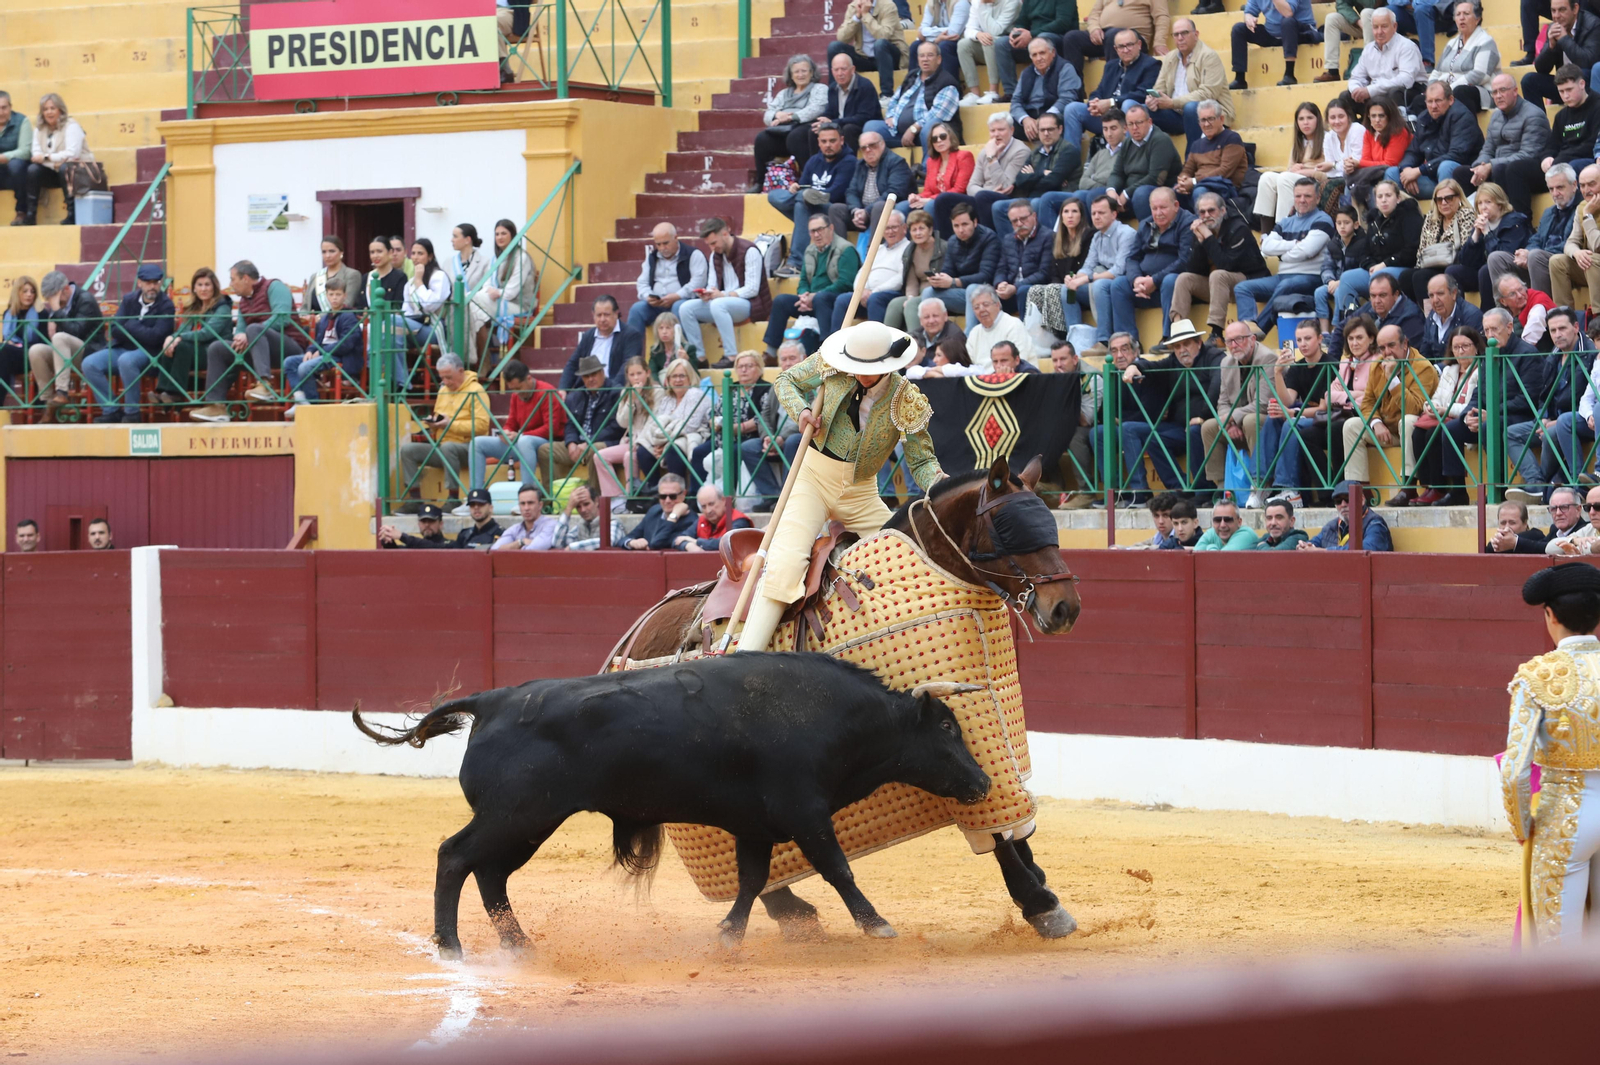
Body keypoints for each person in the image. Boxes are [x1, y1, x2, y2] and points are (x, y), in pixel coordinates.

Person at [735, 321, 944, 652]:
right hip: (812, 480)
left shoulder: (906, 399)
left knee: (908, 560)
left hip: (861, 494)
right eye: (855, 366)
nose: (858, 374)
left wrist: (940, 484)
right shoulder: (833, 365)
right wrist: (801, 411)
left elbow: (920, 461)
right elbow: (785, 379)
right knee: (787, 562)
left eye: (867, 370)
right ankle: (746, 655)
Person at [1500, 563, 1600, 944]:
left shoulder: (1538, 675)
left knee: (1559, 952)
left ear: (1550, 615)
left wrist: (1524, 828)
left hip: (1565, 818)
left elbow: (1515, 771)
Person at [1339, 323, 1439, 494]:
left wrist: (1393, 381)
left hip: (1410, 432)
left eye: (1391, 345)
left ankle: (1408, 486)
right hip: (1385, 429)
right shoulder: (1377, 364)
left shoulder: (1424, 368)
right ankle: (1359, 491)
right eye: (1382, 348)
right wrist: (1376, 422)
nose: (1387, 352)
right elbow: (1368, 401)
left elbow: (1413, 408)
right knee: (1351, 426)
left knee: (1408, 421)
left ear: (1405, 343)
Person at [1393, 324, 1480, 504]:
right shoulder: (1449, 370)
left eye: (1465, 346)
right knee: (1418, 433)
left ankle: (1440, 488)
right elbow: (1437, 396)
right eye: (1456, 347)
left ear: (1476, 347)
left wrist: (1445, 409)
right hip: (1442, 415)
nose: (1460, 351)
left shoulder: (1482, 370)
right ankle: (1428, 486)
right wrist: (1430, 406)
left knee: (1435, 433)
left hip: (1464, 418)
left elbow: (1471, 404)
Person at [1235, 179, 1334, 335]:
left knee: (1287, 285)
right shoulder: (1286, 222)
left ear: (1317, 198)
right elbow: (1266, 246)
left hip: (1312, 278)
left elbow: (1307, 250)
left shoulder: (1323, 220)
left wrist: (1281, 254)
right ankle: (1247, 326)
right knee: (1242, 288)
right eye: (1298, 196)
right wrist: (1294, 243)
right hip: (1283, 278)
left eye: (1307, 196)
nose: (1302, 200)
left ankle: (1258, 331)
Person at [396, 353, 491, 511]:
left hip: (469, 448)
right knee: (408, 450)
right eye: (442, 378)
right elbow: (439, 416)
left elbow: (482, 426)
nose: (446, 382)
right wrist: (434, 423)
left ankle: (453, 497)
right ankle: (414, 499)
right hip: (443, 446)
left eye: (449, 377)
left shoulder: (476, 390)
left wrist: (450, 424)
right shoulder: (443, 390)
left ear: (461, 371)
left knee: (449, 447)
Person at [1169, 191, 1270, 338]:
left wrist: (1208, 237)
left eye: (1211, 210)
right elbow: (1193, 269)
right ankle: (1178, 331)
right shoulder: (1201, 231)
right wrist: (1199, 242)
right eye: (1202, 212)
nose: (1207, 215)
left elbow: (1226, 264)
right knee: (1184, 278)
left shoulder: (1238, 228)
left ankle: (1216, 334)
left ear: (1223, 211)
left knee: (1218, 275)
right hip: (1219, 289)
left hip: (1249, 283)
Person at [84, 263, 174, 424]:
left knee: (126, 361)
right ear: (139, 283)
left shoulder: (166, 305)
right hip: (122, 348)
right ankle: (111, 409)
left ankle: (132, 412)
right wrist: (140, 331)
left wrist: (131, 325)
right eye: (148, 282)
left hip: (149, 353)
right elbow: (114, 328)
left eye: (156, 282)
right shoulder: (129, 300)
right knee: (89, 363)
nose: (152, 286)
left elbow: (156, 336)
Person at [676, 217, 771, 368]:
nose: (712, 248)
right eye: (709, 245)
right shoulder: (715, 255)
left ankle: (731, 355)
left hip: (752, 304)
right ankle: (699, 358)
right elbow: (712, 285)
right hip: (724, 304)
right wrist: (707, 293)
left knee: (718, 304)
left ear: (726, 234)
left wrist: (723, 295)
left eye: (714, 243)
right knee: (686, 308)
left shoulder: (750, 250)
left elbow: (752, 289)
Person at [1200, 321, 1274, 505]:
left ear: (1252, 339)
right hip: (1238, 420)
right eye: (1229, 341)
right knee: (1209, 427)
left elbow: (1263, 404)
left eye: (1239, 340)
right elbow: (1222, 401)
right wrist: (1229, 423)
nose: (1234, 345)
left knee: (1251, 420)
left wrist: (1233, 417)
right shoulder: (1226, 362)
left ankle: (1260, 485)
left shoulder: (1268, 358)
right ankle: (1224, 488)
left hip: (1268, 421)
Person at [771, 124, 858, 281]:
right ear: (818, 142)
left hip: (832, 210)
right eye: (824, 141)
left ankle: (795, 263)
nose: (828, 145)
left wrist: (806, 194)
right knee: (774, 195)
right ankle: (804, 210)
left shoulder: (849, 162)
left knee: (802, 200)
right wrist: (796, 188)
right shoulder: (813, 161)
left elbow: (835, 194)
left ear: (842, 140)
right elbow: (804, 185)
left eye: (832, 141)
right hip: (808, 204)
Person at [766, 213, 861, 354]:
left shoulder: (846, 250)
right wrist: (804, 296)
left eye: (820, 229)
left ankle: (826, 349)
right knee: (781, 301)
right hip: (813, 300)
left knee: (821, 299)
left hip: (834, 300)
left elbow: (846, 283)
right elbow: (803, 280)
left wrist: (815, 296)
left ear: (831, 228)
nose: (816, 235)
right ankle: (771, 352)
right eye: (812, 231)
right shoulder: (810, 250)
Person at [469, 359, 565, 492]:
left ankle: (527, 495)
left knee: (524, 441)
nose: (516, 392)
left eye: (518, 388)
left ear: (529, 378)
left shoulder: (547, 392)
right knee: (477, 443)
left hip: (546, 444)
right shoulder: (515, 395)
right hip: (523, 443)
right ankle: (475, 497)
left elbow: (551, 429)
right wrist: (505, 432)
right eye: (512, 389)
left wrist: (521, 435)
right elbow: (511, 423)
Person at [537, 354, 624, 497]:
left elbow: (616, 427)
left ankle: (594, 500)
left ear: (602, 373)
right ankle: (555, 499)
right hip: (579, 444)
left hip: (604, 443)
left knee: (596, 450)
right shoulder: (575, 395)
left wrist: (589, 443)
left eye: (594, 374)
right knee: (545, 450)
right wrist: (571, 443)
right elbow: (569, 424)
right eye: (586, 376)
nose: (590, 379)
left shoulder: (615, 392)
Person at [933, 112, 1031, 239]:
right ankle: (945, 246)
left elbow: (1005, 186)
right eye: (993, 130)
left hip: (1008, 198)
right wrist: (986, 191)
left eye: (1001, 129)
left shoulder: (1021, 151)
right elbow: (971, 186)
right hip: (983, 196)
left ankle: (988, 241)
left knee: (983, 196)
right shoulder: (985, 151)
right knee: (943, 199)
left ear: (1011, 130)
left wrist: (992, 158)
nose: (996, 134)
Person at [1061, 30, 1160, 156]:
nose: (1125, 50)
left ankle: (1129, 160)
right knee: (1072, 108)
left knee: (1128, 105)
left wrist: (1111, 103)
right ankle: (1070, 165)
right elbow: (1100, 90)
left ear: (1139, 44)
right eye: (1121, 47)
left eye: (1129, 45)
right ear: (1116, 49)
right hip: (1107, 117)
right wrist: (1094, 102)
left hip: (1129, 118)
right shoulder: (1111, 65)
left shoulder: (1151, 64)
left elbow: (1142, 93)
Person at [1469, 74, 1552, 219]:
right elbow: (1488, 148)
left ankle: (1518, 223)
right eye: (1494, 92)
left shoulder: (1533, 115)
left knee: (1507, 169)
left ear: (1515, 91)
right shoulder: (1495, 116)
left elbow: (1528, 154)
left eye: (1503, 90)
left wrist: (1490, 166)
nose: (1498, 96)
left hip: (1531, 170)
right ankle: (1474, 226)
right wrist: (1480, 166)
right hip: (1501, 167)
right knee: (1462, 173)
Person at [28, 270, 105, 422]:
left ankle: (62, 392)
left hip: (90, 353)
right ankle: (49, 404)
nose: (53, 304)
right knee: (36, 350)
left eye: (55, 299)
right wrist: (53, 316)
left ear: (66, 290)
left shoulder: (86, 300)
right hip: (66, 354)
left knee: (59, 337)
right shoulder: (60, 304)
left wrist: (56, 311)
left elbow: (76, 331)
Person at [281, 276, 362, 416]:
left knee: (305, 367)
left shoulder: (349, 316)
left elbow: (347, 344)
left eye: (338, 294)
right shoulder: (325, 318)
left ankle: (312, 405)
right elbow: (318, 340)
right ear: (326, 296)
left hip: (340, 357)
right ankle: (301, 399)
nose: (334, 298)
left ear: (345, 296)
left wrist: (323, 352)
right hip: (325, 355)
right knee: (289, 362)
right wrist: (311, 350)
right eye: (331, 294)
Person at [1391, 81, 1483, 201]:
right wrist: (1406, 168)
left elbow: (1456, 155)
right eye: (1430, 101)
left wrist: (1420, 170)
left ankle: (1449, 213)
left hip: (1461, 180)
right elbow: (1413, 151)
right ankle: (1402, 218)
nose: (1433, 106)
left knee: (1446, 166)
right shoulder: (1424, 118)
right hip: (1432, 178)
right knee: (1392, 173)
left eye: (1438, 101)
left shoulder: (1462, 117)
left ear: (1450, 100)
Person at [1146, 19, 1232, 144]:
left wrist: (1173, 103)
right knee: (1140, 111)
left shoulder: (1209, 56)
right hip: (1176, 115)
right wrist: (1153, 100)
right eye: (1176, 34)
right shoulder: (1171, 57)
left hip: (1208, 114)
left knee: (1191, 108)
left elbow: (1208, 94)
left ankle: (1193, 159)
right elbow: (1159, 87)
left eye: (1184, 33)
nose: (1180, 38)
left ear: (1196, 35)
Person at [872, 40, 963, 158]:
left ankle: (926, 172)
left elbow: (938, 115)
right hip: (899, 133)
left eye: (930, 55)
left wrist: (914, 129)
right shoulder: (912, 76)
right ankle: (882, 172)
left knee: (931, 129)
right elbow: (895, 99)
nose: (925, 59)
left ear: (939, 59)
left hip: (926, 134)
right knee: (871, 129)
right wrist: (890, 116)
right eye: (922, 56)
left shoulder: (947, 83)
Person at [752, 56, 829, 193]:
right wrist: (777, 115)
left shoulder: (820, 88)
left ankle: (808, 181)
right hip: (784, 131)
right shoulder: (784, 93)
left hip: (805, 128)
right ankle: (761, 181)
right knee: (762, 139)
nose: (800, 75)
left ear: (811, 73)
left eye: (804, 71)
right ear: (791, 75)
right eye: (796, 72)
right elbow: (767, 115)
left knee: (796, 136)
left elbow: (817, 109)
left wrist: (791, 117)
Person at [635, 358, 712, 492]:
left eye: (682, 376)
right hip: (668, 437)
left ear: (690, 377)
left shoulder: (695, 394)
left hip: (693, 436)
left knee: (673, 449)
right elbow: (656, 424)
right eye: (674, 376)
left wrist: (664, 444)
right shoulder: (667, 399)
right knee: (643, 450)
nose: (678, 380)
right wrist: (658, 443)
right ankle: (654, 490)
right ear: (668, 379)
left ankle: (677, 492)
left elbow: (690, 426)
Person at [1512, 163, 1583, 308]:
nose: (1555, 193)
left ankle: (1542, 314)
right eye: (1551, 189)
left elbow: (1573, 243)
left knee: (1536, 256)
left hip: (1569, 262)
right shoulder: (1548, 212)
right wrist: (1527, 251)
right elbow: (1537, 239)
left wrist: (1533, 254)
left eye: (1560, 187)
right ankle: (1507, 319)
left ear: (1574, 185)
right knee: (1497, 259)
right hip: (1540, 260)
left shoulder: (1583, 208)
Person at [156, 267, 231, 403]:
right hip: (195, 352)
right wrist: (171, 338)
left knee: (182, 346)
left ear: (214, 287)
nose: (203, 289)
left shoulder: (222, 307)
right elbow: (183, 331)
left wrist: (178, 337)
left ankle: (175, 394)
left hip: (214, 352)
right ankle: (162, 392)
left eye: (207, 285)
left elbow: (207, 333)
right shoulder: (193, 308)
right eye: (200, 285)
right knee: (169, 347)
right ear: (194, 288)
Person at [1255, 103, 1335, 226]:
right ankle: (1266, 234)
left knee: (1285, 178)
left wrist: (1306, 172)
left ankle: (1283, 227)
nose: (1305, 123)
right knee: (1267, 178)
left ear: (1318, 120)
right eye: (1301, 119)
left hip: (1316, 181)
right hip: (1296, 178)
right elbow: (1289, 170)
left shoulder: (1327, 138)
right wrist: (1292, 169)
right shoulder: (1298, 142)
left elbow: (1331, 173)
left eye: (1310, 118)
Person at [1452, 181, 1532, 302]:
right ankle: (1459, 313)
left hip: (1514, 271)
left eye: (1488, 202)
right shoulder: (1482, 224)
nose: (1483, 207)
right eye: (1480, 203)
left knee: (1485, 270)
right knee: (1453, 271)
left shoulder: (1514, 222)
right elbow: (1466, 262)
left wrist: (1487, 234)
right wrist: (1476, 236)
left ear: (1499, 204)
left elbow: (1503, 255)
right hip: (1485, 274)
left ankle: (1488, 312)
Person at [20, 93, 92, 225]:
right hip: (54, 171)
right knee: (33, 169)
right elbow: (36, 155)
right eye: (45, 109)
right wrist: (53, 161)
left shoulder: (71, 126)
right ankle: (30, 215)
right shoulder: (39, 129)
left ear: (60, 109)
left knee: (65, 167)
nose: (49, 112)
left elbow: (72, 154)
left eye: (53, 108)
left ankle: (72, 214)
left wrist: (47, 157)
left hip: (77, 172)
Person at [472, 219, 540, 356]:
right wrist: (492, 292)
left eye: (504, 233)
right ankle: (481, 358)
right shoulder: (495, 259)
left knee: (472, 301)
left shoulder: (521, 258)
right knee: (474, 314)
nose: (500, 237)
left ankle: (476, 357)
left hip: (518, 305)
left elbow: (510, 293)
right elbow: (486, 285)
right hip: (497, 301)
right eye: (497, 234)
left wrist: (496, 292)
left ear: (512, 235)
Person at [829, 131, 913, 239]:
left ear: (882, 144)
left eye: (872, 145)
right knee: (835, 209)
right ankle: (840, 252)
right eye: (864, 148)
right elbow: (851, 191)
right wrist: (856, 211)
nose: (868, 150)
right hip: (863, 213)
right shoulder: (860, 165)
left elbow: (894, 192)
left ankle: (873, 251)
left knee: (880, 206)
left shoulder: (896, 162)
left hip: (889, 211)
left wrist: (867, 211)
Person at [1026, 197, 1092, 333]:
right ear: (1061, 216)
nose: (1070, 216)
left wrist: (1067, 281)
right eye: (1066, 212)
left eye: (1074, 211)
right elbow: (1054, 273)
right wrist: (1056, 283)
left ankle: (1056, 333)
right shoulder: (1056, 238)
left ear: (1081, 215)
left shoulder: (1089, 235)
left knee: (1053, 290)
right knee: (1035, 290)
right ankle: (1034, 333)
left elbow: (1087, 266)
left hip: (1081, 285)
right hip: (1062, 285)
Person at [628, 223, 708, 335]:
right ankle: (632, 352)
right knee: (637, 309)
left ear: (675, 238)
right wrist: (648, 296)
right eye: (658, 244)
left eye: (665, 243)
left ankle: (682, 350)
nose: (662, 248)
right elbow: (642, 282)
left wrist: (677, 296)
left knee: (679, 307)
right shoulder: (652, 258)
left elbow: (698, 283)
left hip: (683, 302)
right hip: (657, 306)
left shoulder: (693, 255)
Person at [1106, 104, 1181, 222]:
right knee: (1095, 197)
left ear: (1149, 122)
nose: (1135, 128)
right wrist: (1111, 190)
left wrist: (1126, 194)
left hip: (1154, 193)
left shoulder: (1161, 140)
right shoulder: (1127, 142)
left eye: (1139, 123)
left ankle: (1149, 236)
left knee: (1141, 194)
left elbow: (1155, 178)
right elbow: (1117, 173)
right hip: (1130, 194)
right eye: (1131, 124)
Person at [1059, 0, 1170, 80]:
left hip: (1132, 38)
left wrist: (1159, 43)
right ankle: (1075, 92)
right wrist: (1094, 29)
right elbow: (1094, 14)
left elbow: (1162, 16)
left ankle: (1112, 89)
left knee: (1114, 35)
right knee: (1071, 38)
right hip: (1105, 36)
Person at [995, 0, 1079, 100]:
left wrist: (1031, 35)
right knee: (1001, 43)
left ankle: (1049, 90)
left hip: (1059, 41)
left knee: (1043, 38)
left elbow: (1062, 23)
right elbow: (1021, 22)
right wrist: (1017, 33)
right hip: (1034, 40)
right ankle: (1011, 93)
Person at [1007, 36, 1083, 144]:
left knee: (1061, 120)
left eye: (1042, 53)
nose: (1039, 58)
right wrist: (1025, 119)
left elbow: (1067, 99)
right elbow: (1016, 101)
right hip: (1031, 120)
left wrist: (1045, 120)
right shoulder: (1026, 73)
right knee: (1005, 124)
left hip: (1056, 116)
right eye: (1034, 55)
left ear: (1053, 53)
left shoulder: (1065, 68)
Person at [1173, 101, 1247, 211]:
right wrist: (1183, 181)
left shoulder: (1232, 138)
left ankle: (1203, 227)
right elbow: (1188, 169)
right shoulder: (1197, 144)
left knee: (1201, 193)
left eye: (1211, 119)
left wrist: (1194, 182)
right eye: (1203, 120)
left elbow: (1225, 171)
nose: (1207, 124)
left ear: (1221, 119)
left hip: (1224, 189)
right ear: (1199, 123)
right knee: (1172, 194)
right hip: (1199, 186)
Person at [392, 237, 451, 375]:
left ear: (430, 256)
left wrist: (419, 281)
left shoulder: (439, 277)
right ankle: (401, 382)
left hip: (435, 327)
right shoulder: (410, 283)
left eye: (420, 253)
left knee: (392, 322)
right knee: (391, 336)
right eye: (413, 253)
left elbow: (430, 305)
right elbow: (406, 312)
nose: (416, 258)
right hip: (415, 326)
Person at [1523, 0, 1600, 105]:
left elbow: (1587, 62)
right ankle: (1536, 121)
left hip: (1585, 84)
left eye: (1562, 10)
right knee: (1529, 81)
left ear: (1575, 9)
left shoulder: (1593, 24)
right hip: (1563, 84)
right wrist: (1551, 46)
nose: (1556, 16)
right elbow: (1541, 68)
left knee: (1584, 72)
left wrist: (1564, 39)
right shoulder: (1554, 27)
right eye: (1553, 11)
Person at [930, 201, 1000, 316]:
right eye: (956, 226)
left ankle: (970, 332)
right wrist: (939, 279)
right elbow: (948, 270)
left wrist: (954, 282)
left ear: (975, 222)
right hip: (961, 292)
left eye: (964, 224)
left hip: (986, 294)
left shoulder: (989, 238)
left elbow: (986, 276)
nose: (960, 230)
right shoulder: (953, 241)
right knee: (929, 292)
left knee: (973, 289)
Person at [1429, 0, 1500, 112]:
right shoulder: (1451, 43)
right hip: (1446, 91)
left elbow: (1480, 74)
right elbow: (1437, 72)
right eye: (1458, 14)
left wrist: (1448, 90)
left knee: (1460, 92)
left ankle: (1465, 129)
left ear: (1477, 19)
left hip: (1479, 91)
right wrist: (1431, 89)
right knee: (1420, 99)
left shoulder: (1486, 42)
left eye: (1466, 14)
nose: (1461, 18)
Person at [1230, 0, 1318, 89]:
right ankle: (1240, 78)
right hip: (1273, 34)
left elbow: (1288, 13)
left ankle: (1289, 74)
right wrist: (1249, 19)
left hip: (1302, 32)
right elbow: (1249, 12)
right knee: (1238, 29)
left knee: (1287, 22)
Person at [1549, 163, 1600, 312]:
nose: (1586, 190)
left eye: (1592, 184)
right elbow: (1570, 242)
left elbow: (1598, 245)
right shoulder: (1582, 207)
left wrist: (1588, 216)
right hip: (1593, 268)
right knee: (1557, 261)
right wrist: (1576, 253)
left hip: (1595, 264)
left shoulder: (1586, 210)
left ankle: (1598, 317)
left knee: (1591, 259)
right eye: (1583, 185)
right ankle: (1564, 315)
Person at [1345, 9, 1425, 104]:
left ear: (1394, 26)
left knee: (1393, 93)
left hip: (1410, 91)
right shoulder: (1368, 49)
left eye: (1384, 27)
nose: (1379, 32)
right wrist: (1356, 90)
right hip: (1378, 92)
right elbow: (1356, 77)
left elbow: (1406, 80)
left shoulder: (1407, 47)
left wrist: (1371, 90)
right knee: (1346, 96)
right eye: (1375, 27)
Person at [1346, 95, 1412, 209]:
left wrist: (1358, 163)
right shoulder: (1369, 133)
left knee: (1381, 184)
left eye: (1381, 116)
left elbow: (1390, 163)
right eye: (1373, 116)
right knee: (1350, 180)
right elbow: (1366, 161)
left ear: (1390, 117)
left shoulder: (1399, 132)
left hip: (1401, 178)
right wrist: (1353, 165)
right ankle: (1351, 219)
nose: (1377, 120)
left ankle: (1378, 220)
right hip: (1379, 174)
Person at [831, 0, 907, 97]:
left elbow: (883, 35)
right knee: (834, 47)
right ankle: (833, 94)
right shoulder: (853, 7)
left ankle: (887, 94)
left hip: (889, 57)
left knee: (880, 44)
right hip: (865, 57)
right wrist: (857, 17)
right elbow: (842, 38)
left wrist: (866, 14)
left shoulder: (888, 5)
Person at [443, 223, 494, 363]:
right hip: (454, 307)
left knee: (476, 316)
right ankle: (468, 361)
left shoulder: (485, 262)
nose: (451, 240)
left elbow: (487, 286)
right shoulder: (448, 263)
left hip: (477, 305)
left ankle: (478, 361)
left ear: (467, 239)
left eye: (455, 236)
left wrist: (471, 299)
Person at [874, 210, 933, 329]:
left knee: (911, 304)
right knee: (895, 304)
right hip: (917, 294)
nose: (918, 233)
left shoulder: (941, 247)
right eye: (914, 230)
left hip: (935, 291)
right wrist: (910, 296)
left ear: (930, 230)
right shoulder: (910, 250)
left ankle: (916, 342)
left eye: (921, 229)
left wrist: (911, 300)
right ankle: (888, 343)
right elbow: (911, 281)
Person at [958, 0, 1023, 105]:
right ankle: (974, 93)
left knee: (989, 40)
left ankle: (993, 91)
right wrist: (977, 34)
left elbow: (996, 30)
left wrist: (983, 7)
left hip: (1007, 46)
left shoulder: (1012, 2)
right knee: (963, 45)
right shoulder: (977, 2)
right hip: (987, 46)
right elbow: (969, 29)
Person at [906, 121, 974, 222]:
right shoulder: (931, 162)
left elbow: (959, 189)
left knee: (930, 205)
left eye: (942, 136)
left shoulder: (964, 156)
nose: (939, 140)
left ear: (950, 137)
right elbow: (928, 190)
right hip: (935, 200)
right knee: (904, 206)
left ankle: (935, 237)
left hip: (958, 201)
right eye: (934, 139)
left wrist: (930, 199)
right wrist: (917, 197)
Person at [817, 53, 883, 156]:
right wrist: (822, 121)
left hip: (862, 128)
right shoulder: (832, 88)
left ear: (852, 69)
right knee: (813, 130)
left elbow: (864, 117)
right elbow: (830, 112)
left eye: (843, 69)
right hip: (840, 126)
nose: (840, 73)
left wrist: (834, 122)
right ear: (832, 71)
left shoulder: (865, 86)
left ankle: (849, 166)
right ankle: (818, 168)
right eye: (836, 70)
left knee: (849, 129)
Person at [1298, 479, 1394, 549]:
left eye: (1348, 499)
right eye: (1338, 501)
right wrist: (1304, 546)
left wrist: (1323, 552)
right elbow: (1314, 542)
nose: (1343, 505)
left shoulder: (1375, 524)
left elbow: (1365, 550)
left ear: (1362, 500)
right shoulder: (1332, 526)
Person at [1317, 207, 1370, 332]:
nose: (1342, 227)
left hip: (1351, 285)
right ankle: (1324, 332)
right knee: (1319, 293)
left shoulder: (1363, 243)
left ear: (1356, 224)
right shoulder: (1333, 244)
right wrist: (1329, 281)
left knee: (1340, 292)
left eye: (1346, 223)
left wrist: (1340, 282)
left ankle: (1337, 328)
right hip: (1334, 282)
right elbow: (1326, 267)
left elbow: (1362, 267)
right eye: (1339, 223)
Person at [993, 200, 1051, 314]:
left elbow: (1044, 273)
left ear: (1034, 216)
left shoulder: (1048, 237)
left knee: (1023, 291)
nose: (1019, 224)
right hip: (1011, 290)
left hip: (1035, 290)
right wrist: (1000, 283)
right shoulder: (1008, 239)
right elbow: (1001, 268)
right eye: (1014, 221)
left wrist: (1015, 287)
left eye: (1023, 219)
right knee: (984, 294)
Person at [963, 284, 1032, 373]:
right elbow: (967, 365)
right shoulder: (974, 333)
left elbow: (1020, 362)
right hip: (982, 382)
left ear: (998, 305)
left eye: (986, 304)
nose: (981, 310)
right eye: (976, 307)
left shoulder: (1013, 325)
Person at [1418, 272, 1484, 363]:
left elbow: (1469, 355)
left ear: (1453, 293)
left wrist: (1439, 369)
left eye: (1440, 294)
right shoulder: (1432, 316)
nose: (1435, 300)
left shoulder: (1471, 315)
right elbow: (1425, 351)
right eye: (1431, 296)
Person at [624, 473, 697, 550]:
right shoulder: (654, 511)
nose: (667, 500)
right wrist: (631, 542)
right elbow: (626, 538)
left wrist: (673, 516)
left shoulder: (692, 521)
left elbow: (656, 543)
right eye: (663, 496)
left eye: (673, 496)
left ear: (683, 494)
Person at [676, 483, 753, 552]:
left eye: (711, 504)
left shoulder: (739, 520)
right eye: (703, 506)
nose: (708, 510)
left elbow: (728, 543)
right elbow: (678, 540)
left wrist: (696, 542)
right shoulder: (702, 520)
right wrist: (688, 545)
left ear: (723, 500)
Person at [1320, 0, 1383, 83]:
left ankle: (1369, 69)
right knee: (1331, 18)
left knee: (1366, 12)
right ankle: (1332, 71)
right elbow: (1341, 5)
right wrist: (1357, 21)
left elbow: (1372, 4)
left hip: (1385, 23)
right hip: (1365, 24)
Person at [551, 485, 626, 549]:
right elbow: (557, 543)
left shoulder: (612, 521)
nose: (582, 510)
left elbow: (608, 541)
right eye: (578, 506)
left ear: (597, 501)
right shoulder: (581, 525)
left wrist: (573, 547)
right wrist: (569, 508)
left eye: (586, 504)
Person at [302, 235, 362, 316]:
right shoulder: (315, 276)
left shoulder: (352, 275)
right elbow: (305, 306)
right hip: (311, 325)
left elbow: (346, 304)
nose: (327, 256)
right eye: (324, 252)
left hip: (337, 323)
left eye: (332, 251)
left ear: (341, 252)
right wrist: (304, 317)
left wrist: (320, 318)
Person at [491, 483, 561, 550]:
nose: (526, 508)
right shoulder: (514, 529)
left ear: (540, 505)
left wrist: (511, 548)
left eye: (530, 503)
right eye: (522, 503)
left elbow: (532, 550)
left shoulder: (551, 525)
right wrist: (521, 542)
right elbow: (494, 550)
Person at [0, 91, 34, 225]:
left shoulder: (22, 121)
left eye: (4, 107)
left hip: (18, 173)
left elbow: (26, 152)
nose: (1, 112)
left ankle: (22, 211)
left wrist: (3, 157)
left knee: (16, 165)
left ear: (10, 107)